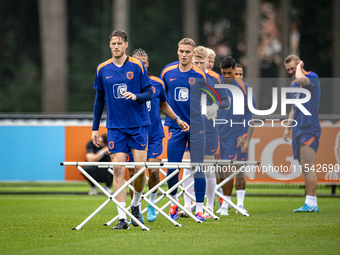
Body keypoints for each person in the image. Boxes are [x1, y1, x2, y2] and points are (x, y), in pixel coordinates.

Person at [91, 29, 154, 230]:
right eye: (113, 43)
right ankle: (122, 218)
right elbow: (99, 100)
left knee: (139, 170)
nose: (116, 46)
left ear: (126, 45)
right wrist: (94, 128)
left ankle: (135, 204)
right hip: (115, 127)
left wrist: (136, 96)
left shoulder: (137, 66)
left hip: (138, 125)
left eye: (119, 43)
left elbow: (150, 92)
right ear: (109, 45)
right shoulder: (102, 68)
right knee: (118, 169)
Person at [127, 48, 189, 223]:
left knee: (154, 171)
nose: (141, 65)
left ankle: (152, 203)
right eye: (137, 62)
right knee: (135, 172)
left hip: (154, 134)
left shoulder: (158, 83)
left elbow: (164, 105)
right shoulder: (126, 83)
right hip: (134, 135)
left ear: (147, 64)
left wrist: (177, 119)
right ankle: (136, 206)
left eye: (144, 62)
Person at [161, 38, 208, 221]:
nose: (184, 54)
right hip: (175, 126)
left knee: (198, 168)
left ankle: (199, 209)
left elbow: (211, 101)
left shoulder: (200, 75)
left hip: (197, 127)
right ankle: (174, 205)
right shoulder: (167, 72)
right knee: (173, 168)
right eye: (181, 51)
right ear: (177, 51)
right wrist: (176, 119)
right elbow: (161, 101)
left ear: (193, 53)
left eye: (188, 52)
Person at [283, 54, 321, 212]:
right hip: (298, 129)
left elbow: (301, 79)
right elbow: (293, 108)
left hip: (309, 127)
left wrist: (300, 67)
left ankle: (312, 202)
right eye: (288, 70)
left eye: (292, 68)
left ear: (299, 64)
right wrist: (287, 127)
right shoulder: (293, 84)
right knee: (303, 166)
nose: (291, 72)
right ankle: (310, 201)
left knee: (307, 165)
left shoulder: (311, 77)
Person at [216, 57, 254, 216]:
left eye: (229, 73)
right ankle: (224, 204)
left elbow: (249, 113)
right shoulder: (216, 85)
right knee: (221, 171)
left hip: (235, 136)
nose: (226, 76)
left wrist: (244, 135)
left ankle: (236, 204)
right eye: (223, 73)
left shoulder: (243, 87)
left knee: (237, 170)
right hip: (218, 136)